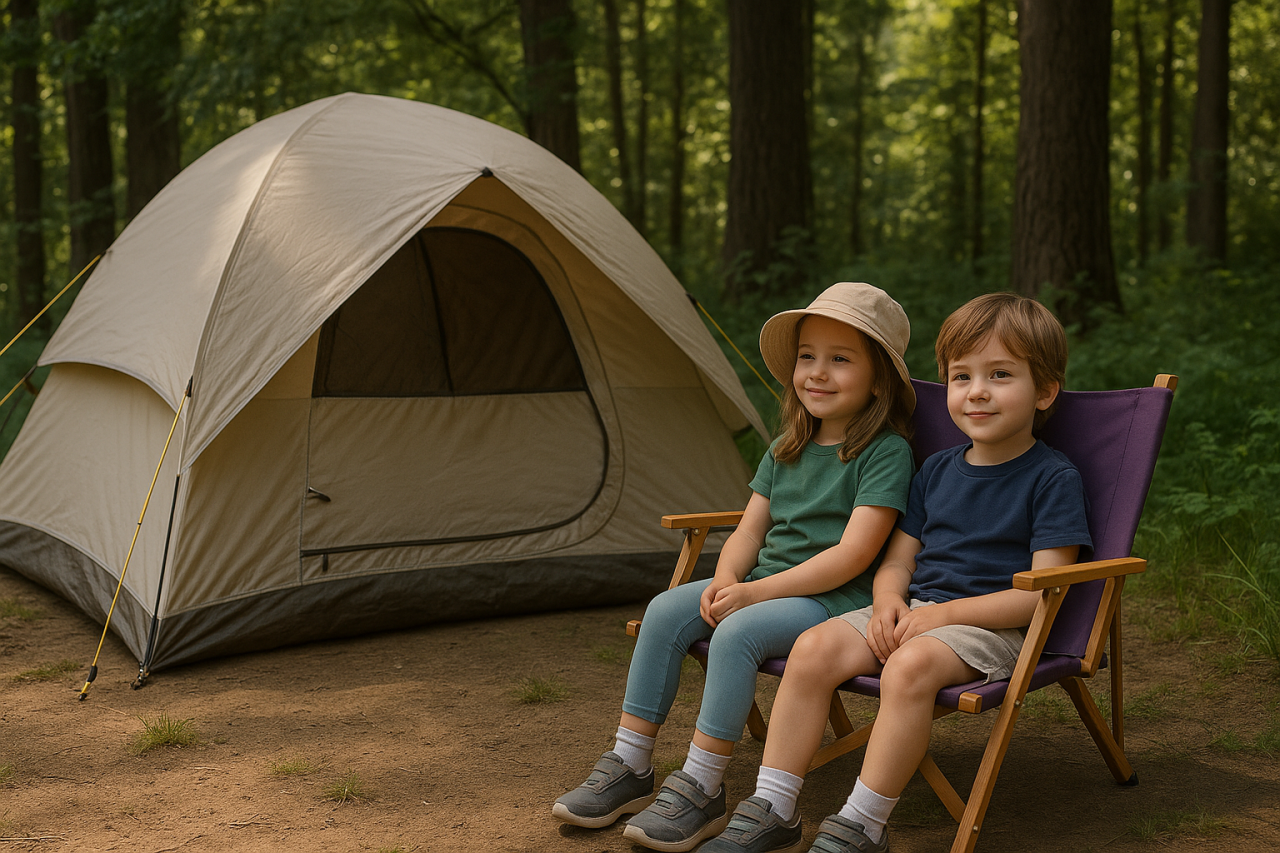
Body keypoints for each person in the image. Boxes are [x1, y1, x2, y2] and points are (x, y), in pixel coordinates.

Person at [700, 292, 1093, 853]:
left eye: (1000, 374)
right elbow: (899, 559)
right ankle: (774, 806)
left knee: (907, 668)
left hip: (991, 625)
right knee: (811, 650)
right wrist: (889, 600)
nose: (977, 390)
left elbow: (1040, 595)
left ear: (1046, 390)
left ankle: (862, 824)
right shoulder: (934, 470)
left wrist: (941, 616)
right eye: (961, 376)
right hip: (915, 613)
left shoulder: (1053, 479)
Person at [551, 283, 918, 852]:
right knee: (666, 609)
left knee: (739, 632)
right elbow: (750, 530)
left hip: (834, 600)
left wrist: (752, 595)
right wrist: (728, 578)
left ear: (879, 380)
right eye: (807, 357)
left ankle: (703, 786)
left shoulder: (885, 452)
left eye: (840, 360)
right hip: (767, 586)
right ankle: (631, 760)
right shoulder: (786, 447)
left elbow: (853, 555)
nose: (817, 373)